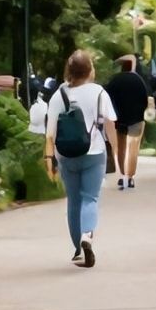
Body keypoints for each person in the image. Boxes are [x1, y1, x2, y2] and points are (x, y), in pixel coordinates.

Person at [44, 51, 116, 268]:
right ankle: (87, 235)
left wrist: (49, 159)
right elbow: (111, 124)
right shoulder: (99, 92)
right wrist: (115, 151)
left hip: (66, 155)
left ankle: (78, 249)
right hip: (93, 153)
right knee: (90, 198)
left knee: (74, 201)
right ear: (90, 70)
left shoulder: (58, 95)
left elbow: (50, 134)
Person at [104, 54, 152, 190]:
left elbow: (107, 98)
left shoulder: (115, 80)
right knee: (133, 148)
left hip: (120, 119)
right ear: (132, 67)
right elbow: (145, 98)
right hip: (136, 118)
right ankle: (130, 177)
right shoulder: (138, 80)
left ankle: (122, 175)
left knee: (121, 147)